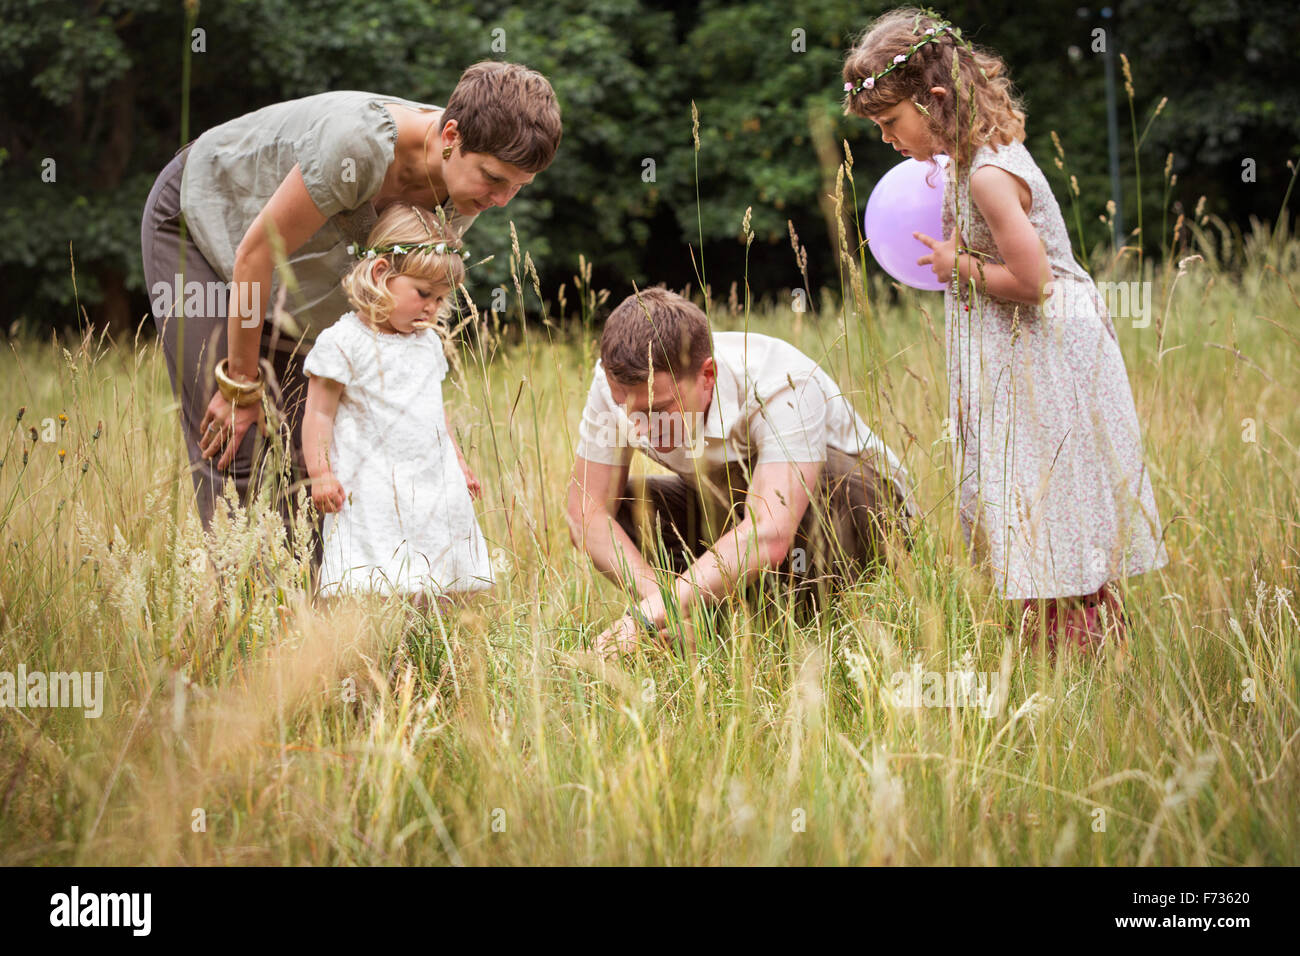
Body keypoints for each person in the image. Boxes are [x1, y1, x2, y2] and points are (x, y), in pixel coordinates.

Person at [842, 8, 1168, 651]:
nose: (886, 140)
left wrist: (953, 264)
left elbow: (1036, 281)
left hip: (1048, 361)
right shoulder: (968, 165)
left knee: (1052, 512)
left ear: (933, 100)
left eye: (889, 123)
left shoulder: (990, 174)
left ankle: (1086, 650)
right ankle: (1057, 647)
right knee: (1029, 514)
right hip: (1022, 360)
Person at [139, 62, 561, 539]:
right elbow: (255, 256)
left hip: (295, 277)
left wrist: (437, 446)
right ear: (451, 135)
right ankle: (242, 608)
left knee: (314, 461)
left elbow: (383, 303)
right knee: (237, 443)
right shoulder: (356, 146)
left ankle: (313, 612)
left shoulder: (461, 192)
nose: (502, 200)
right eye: (493, 179)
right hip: (204, 227)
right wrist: (240, 384)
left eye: (517, 188)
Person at [566, 287, 917, 657]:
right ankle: (705, 626)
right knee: (623, 509)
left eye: (658, 409)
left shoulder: (782, 381)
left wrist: (645, 616)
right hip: (732, 508)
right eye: (625, 407)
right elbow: (585, 512)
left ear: (708, 374)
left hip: (864, 516)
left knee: (810, 488)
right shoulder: (617, 383)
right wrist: (663, 603)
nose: (638, 427)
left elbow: (771, 531)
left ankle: (789, 635)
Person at [301, 203, 492, 600]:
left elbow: (434, 409)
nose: (432, 308)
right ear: (381, 273)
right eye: (423, 294)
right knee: (378, 573)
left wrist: (457, 461)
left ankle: (431, 648)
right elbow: (318, 412)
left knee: (436, 568)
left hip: (430, 477)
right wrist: (320, 473)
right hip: (371, 481)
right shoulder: (344, 342)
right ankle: (377, 646)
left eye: (441, 299)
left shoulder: (427, 344)